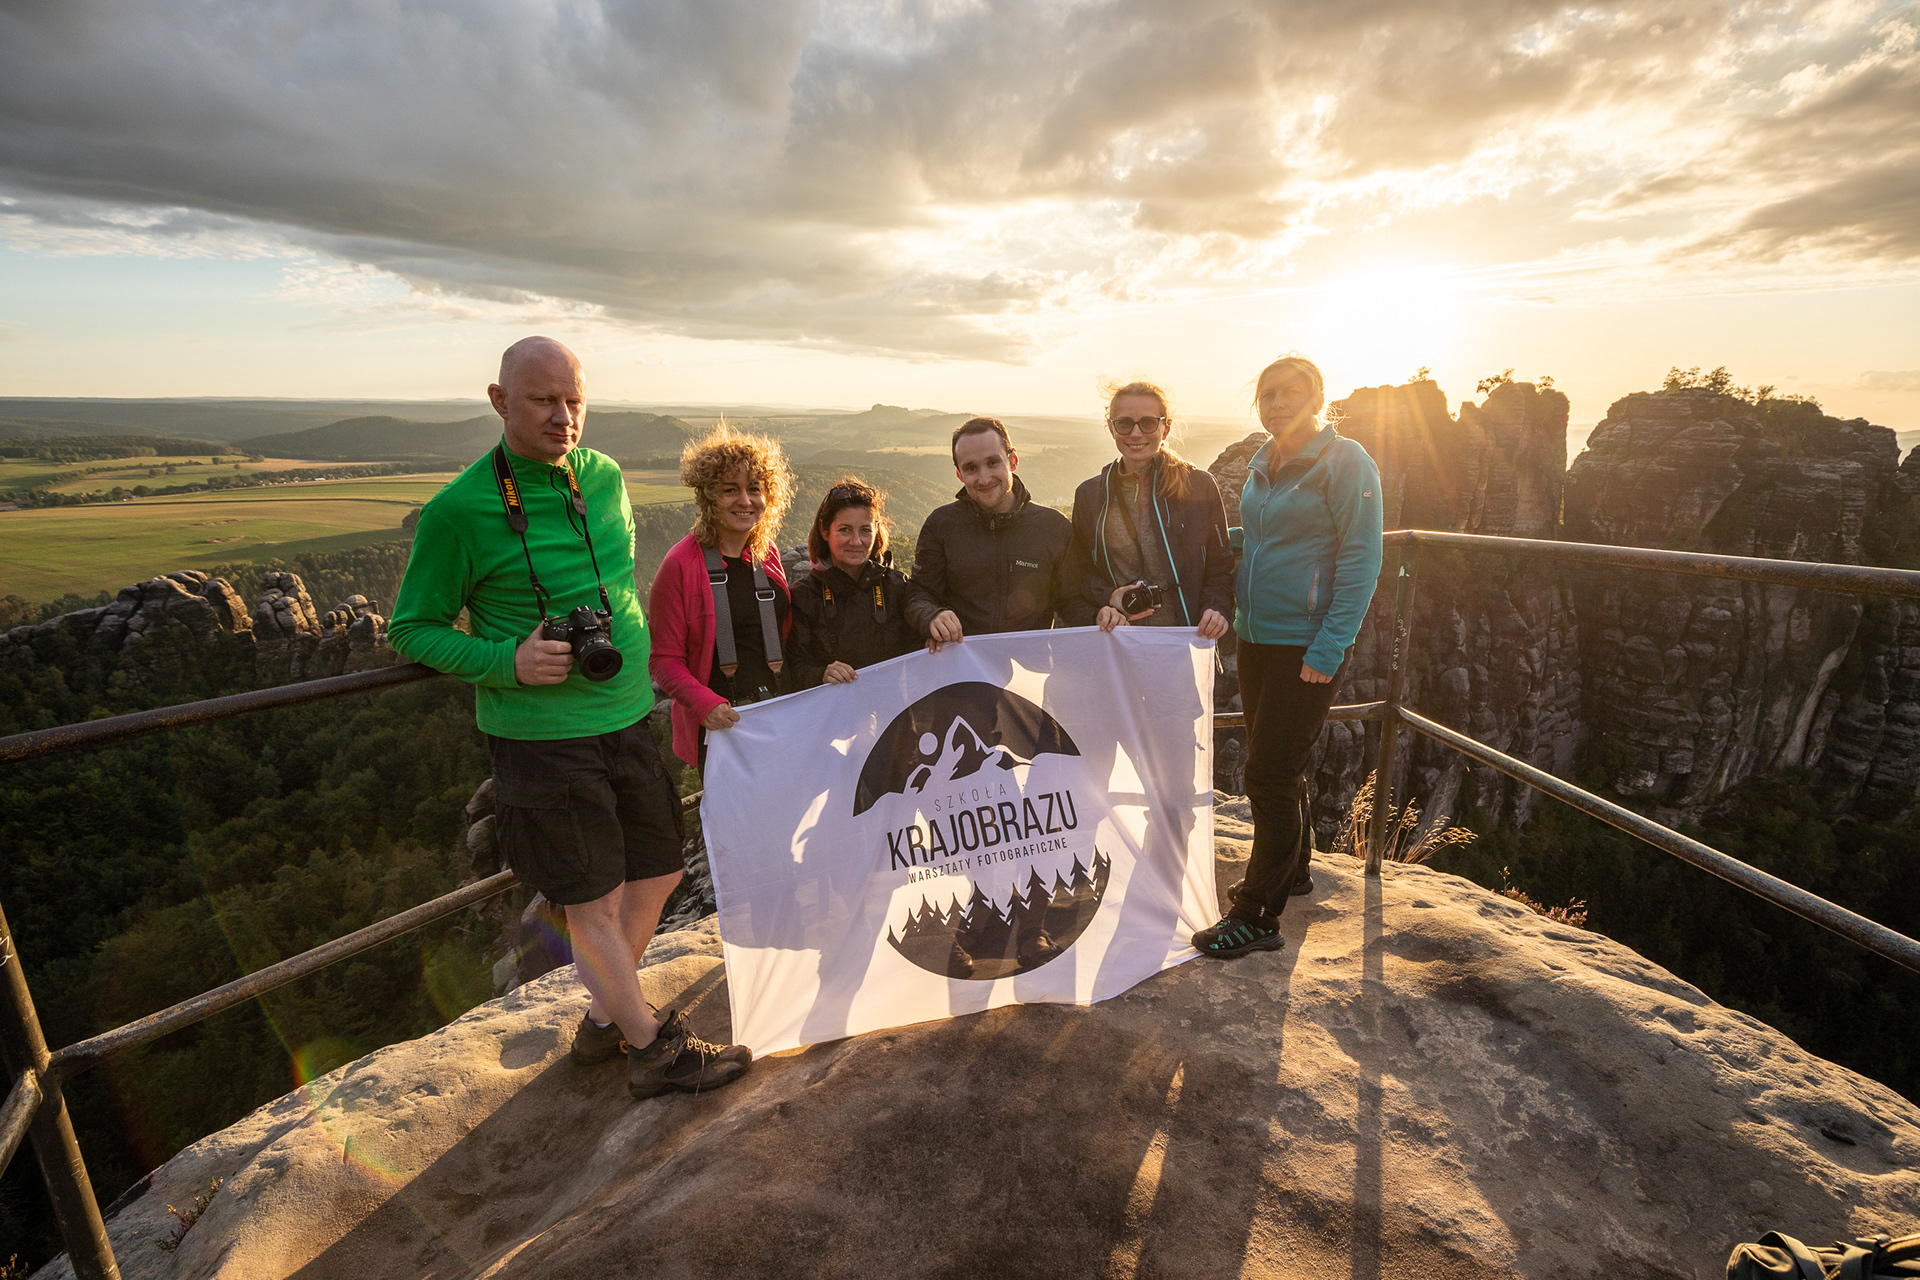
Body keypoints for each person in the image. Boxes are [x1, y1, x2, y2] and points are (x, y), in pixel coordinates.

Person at [389, 336, 751, 1100]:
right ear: (500, 402)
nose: (563, 417)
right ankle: (653, 1050)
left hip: (625, 715)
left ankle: (603, 1020)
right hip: (540, 738)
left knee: (655, 870)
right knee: (588, 899)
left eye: (574, 400)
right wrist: (505, 662)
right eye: (543, 401)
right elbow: (411, 629)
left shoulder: (605, 476)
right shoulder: (459, 510)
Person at [1191, 355, 1383, 959]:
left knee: (1267, 775)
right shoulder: (1261, 464)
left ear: (1317, 396)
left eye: (1290, 394)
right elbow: (1263, 538)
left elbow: (1361, 560)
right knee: (1282, 763)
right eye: (1267, 395)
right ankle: (1294, 871)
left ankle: (1257, 915)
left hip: (1306, 642)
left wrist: (1329, 647)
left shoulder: (1347, 462)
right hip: (1255, 637)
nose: (1277, 404)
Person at [648, 423, 795, 770]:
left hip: (777, 715)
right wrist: (704, 705)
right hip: (721, 728)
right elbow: (663, 660)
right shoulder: (679, 565)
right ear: (708, 496)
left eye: (754, 489)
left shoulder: (767, 554)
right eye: (730, 489)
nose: (745, 501)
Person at [1065, 380, 1233, 642]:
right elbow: (1080, 572)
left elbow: (1220, 565)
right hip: (1119, 642)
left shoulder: (1198, 486)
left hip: (1188, 639)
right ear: (1111, 428)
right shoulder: (1089, 495)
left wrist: (1216, 607)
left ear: (1165, 428)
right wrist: (1108, 598)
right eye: (1124, 423)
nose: (1135, 433)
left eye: (1148, 422)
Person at [905, 416, 1093, 642]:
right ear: (959, 474)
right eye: (971, 468)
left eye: (992, 463)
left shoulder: (1053, 527)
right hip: (961, 664)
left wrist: (1098, 617)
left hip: (1028, 668)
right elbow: (919, 593)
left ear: (1012, 460)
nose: (984, 478)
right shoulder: (941, 525)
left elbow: (1070, 600)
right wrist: (932, 616)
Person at [787, 478, 936, 688]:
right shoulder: (803, 597)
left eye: (865, 530)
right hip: (835, 717)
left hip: (891, 715)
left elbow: (919, 655)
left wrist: (934, 627)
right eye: (845, 530)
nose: (856, 541)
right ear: (824, 530)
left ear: (876, 531)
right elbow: (793, 671)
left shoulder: (897, 587)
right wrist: (822, 674)